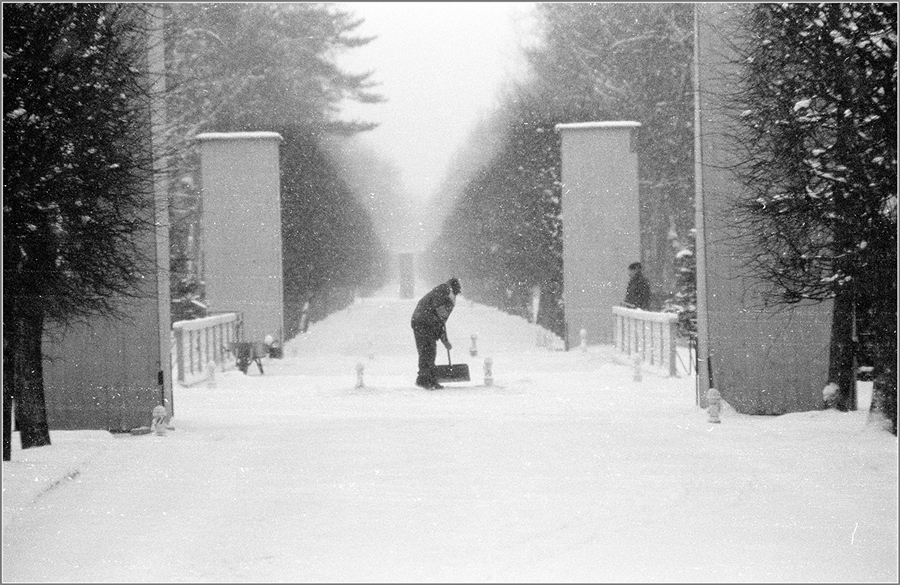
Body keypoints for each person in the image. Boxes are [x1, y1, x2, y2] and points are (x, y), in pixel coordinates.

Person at [410, 277, 461, 389]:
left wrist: (445, 340)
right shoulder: (444, 289)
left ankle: (425, 379)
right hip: (424, 322)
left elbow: (440, 322)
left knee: (428, 351)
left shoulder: (445, 293)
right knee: (428, 350)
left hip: (423, 321)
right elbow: (438, 308)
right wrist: (442, 315)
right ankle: (426, 380)